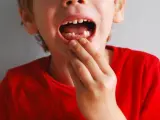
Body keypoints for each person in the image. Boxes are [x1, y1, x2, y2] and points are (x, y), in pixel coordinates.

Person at [0, 0, 159, 120]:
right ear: (29, 18)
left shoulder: (148, 74)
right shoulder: (14, 89)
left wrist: (104, 111)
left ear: (118, 6)